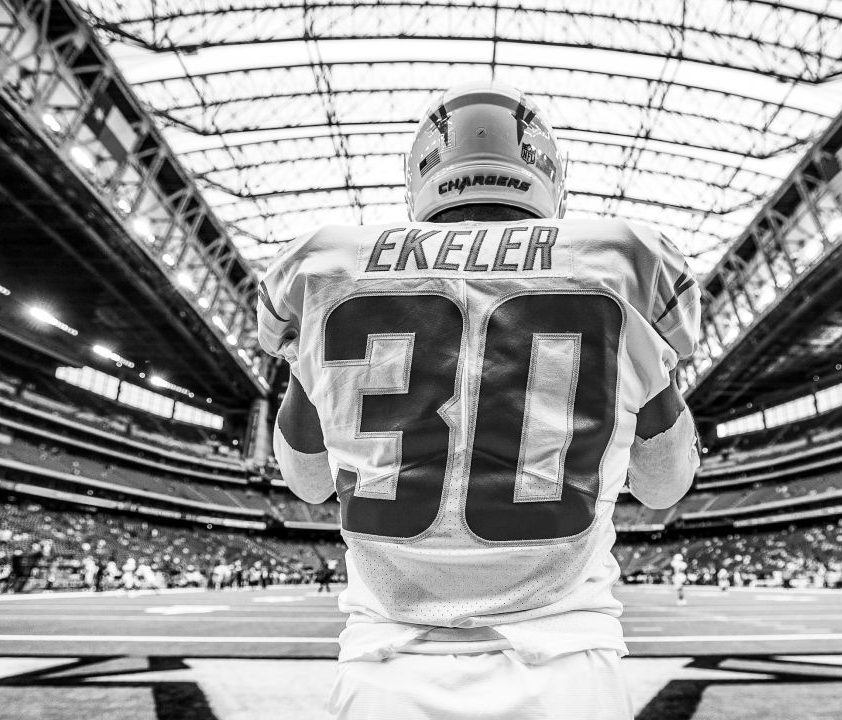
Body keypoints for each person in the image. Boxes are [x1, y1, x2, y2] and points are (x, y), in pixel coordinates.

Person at [259, 81, 701, 720]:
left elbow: (306, 482)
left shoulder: (323, 266)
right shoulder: (620, 259)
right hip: (565, 668)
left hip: (386, 666)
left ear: (421, 173)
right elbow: (663, 486)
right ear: (546, 171)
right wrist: (641, 365)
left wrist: (311, 361)